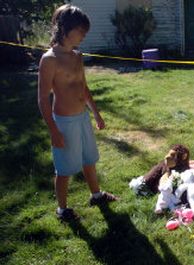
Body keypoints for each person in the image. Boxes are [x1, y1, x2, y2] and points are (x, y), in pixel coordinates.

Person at [38, 4, 118, 221]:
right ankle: (62, 210)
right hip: (64, 122)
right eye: (81, 31)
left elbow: (83, 87)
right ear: (65, 28)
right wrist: (54, 131)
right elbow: (43, 98)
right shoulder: (49, 59)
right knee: (64, 168)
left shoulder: (77, 55)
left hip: (82, 117)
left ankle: (96, 195)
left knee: (89, 159)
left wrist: (96, 114)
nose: (84, 35)